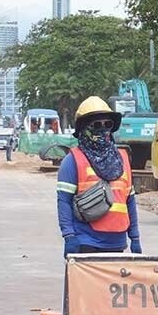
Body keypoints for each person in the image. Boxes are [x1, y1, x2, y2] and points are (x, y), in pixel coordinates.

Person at [56, 96, 141, 256]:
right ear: (84, 128)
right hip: (86, 242)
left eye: (107, 124)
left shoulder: (122, 159)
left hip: (117, 243)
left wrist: (134, 237)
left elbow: (129, 201)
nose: (102, 129)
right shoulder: (73, 161)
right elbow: (64, 201)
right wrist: (69, 236)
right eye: (96, 125)